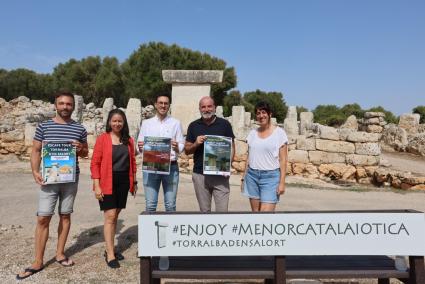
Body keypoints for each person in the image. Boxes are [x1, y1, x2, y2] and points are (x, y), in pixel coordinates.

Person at [16, 91, 88, 280]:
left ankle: (60, 253)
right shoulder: (44, 127)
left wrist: (80, 148)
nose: (65, 107)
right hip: (49, 179)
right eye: (62, 103)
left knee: (65, 215)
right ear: (55, 105)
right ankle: (38, 261)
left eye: (69, 104)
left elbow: (85, 152)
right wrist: (34, 171)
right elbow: (36, 150)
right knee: (43, 218)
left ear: (73, 106)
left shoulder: (79, 128)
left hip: (70, 179)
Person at [90, 109, 137, 269]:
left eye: (120, 121)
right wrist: (96, 185)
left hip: (123, 181)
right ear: (109, 122)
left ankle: (109, 247)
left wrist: (134, 182)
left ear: (124, 123)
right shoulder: (103, 139)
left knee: (115, 215)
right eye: (114, 121)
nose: (117, 123)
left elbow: (132, 162)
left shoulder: (128, 140)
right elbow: (95, 163)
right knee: (110, 216)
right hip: (107, 181)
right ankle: (110, 254)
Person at [185, 96, 235, 212]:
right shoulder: (193, 126)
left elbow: (232, 147)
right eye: (203, 107)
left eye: (209, 106)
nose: (206, 109)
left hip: (220, 175)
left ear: (214, 107)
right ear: (199, 109)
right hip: (200, 175)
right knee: (204, 212)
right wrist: (196, 143)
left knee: (222, 212)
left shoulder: (224, 124)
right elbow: (187, 150)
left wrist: (228, 167)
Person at [137, 93, 184, 212]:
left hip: (171, 167)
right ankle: (151, 231)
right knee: (150, 205)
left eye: (166, 103)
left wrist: (177, 146)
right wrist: (140, 146)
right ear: (156, 105)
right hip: (151, 168)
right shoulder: (146, 123)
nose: (163, 106)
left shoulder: (176, 123)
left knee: (170, 206)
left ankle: (170, 231)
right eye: (161, 103)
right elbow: (139, 146)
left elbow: (182, 145)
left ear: (169, 106)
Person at [242, 101, 288, 212]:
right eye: (258, 113)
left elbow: (283, 159)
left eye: (263, 112)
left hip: (271, 178)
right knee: (256, 214)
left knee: (265, 216)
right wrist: (243, 178)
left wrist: (282, 183)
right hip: (252, 176)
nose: (261, 116)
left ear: (270, 114)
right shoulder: (252, 133)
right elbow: (249, 156)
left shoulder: (279, 133)